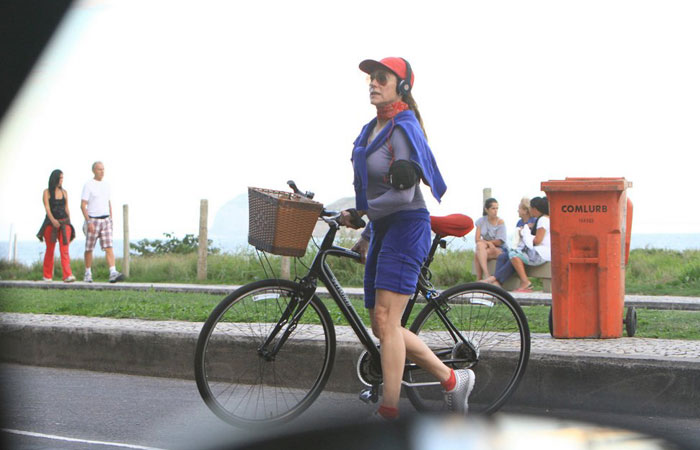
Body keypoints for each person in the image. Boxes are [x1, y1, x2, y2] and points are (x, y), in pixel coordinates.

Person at [339, 57, 474, 421]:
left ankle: (389, 412)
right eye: (371, 77)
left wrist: (363, 214)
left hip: (407, 225)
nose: (373, 82)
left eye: (382, 77)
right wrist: (368, 230)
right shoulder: (371, 128)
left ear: (403, 86)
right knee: (382, 325)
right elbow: (374, 189)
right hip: (384, 228)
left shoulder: (402, 128)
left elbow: (401, 196)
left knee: (387, 317)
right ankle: (451, 380)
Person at [484, 196, 551, 292]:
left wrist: (525, 232)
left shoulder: (542, 220)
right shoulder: (543, 219)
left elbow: (537, 241)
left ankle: (524, 282)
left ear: (535, 209)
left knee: (514, 254)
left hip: (541, 254)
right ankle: (497, 282)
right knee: (504, 256)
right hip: (539, 252)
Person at [80, 161, 124, 283]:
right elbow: (83, 205)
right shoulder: (88, 185)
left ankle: (113, 272)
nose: (102, 172)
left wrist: (111, 218)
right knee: (89, 248)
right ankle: (88, 273)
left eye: (103, 169)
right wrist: (88, 221)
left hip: (105, 220)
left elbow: (108, 202)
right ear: (94, 170)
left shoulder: (106, 185)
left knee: (109, 246)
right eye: (99, 169)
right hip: (93, 219)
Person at [37, 169, 76, 282]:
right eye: (60, 178)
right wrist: (53, 220)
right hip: (50, 224)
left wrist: (69, 220)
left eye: (62, 178)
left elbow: (66, 208)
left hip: (64, 223)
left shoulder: (65, 192)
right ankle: (47, 276)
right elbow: (47, 208)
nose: (61, 180)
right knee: (50, 249)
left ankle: (67, 275)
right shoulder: (46, 192)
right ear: (54, 179)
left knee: (65, 250)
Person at [488, 197, 536, 282]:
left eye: (519, 209)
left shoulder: (534, 221)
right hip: (519, 249)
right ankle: (497, 281)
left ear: (525, 211)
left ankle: (495, 279)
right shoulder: (519, 222)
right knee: (502, 256)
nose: (517, 211)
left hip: (528, 251)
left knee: (513, 258)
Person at [473, 198, 507, 280]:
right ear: (487, 209)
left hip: (500, 249)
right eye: (493, 208)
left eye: (497, 208)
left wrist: (487, 243)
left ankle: (481, 278)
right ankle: (486, 274)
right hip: (487, 247)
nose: (495, 211)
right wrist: (488, 243)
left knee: (478, 253)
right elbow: (477, 239)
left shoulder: (500, 222)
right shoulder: (481, 221)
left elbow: (500, 241)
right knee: (479, 245)